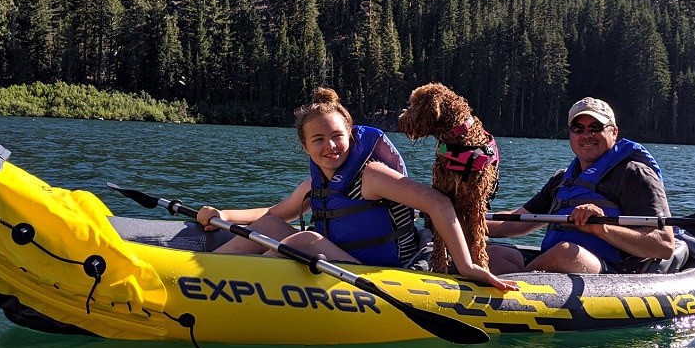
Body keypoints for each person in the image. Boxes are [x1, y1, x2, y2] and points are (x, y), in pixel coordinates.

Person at [196, 87, 518, 291]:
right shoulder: (316, 184)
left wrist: (466, 266)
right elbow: (274, 214)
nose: (330, 147)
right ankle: (199, 274)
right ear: (306, 147)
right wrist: (224, 214)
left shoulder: (373, 176)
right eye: (319, 140)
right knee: (267, 227)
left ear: (351, 135)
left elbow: (438, 204)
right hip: (341, 259)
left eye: (337, 136)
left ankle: (224, 288)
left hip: (384, 270)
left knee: (306, 239)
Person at [486, 97, 675, 274]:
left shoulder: (635, 174)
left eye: (595, 127)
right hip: (553, 264)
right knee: (491, 255)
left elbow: (664, 245)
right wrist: (469, 222)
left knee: (566, 253)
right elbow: (516, 220)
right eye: (578, 128)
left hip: (612, 271)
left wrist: (602, 228)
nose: (586, 135)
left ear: (614, 132)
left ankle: (516, 288)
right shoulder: (562, 180)